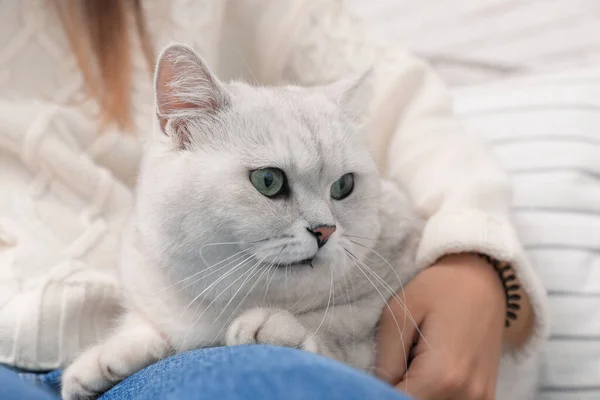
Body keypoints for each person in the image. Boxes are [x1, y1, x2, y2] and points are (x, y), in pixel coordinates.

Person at [0, 1, 548, 399]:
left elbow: (403, 98)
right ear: (181, 133)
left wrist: (474, 256)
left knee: (276, 385)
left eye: (341, 190)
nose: (321, 224)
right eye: (271, 184)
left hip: (181, 363)